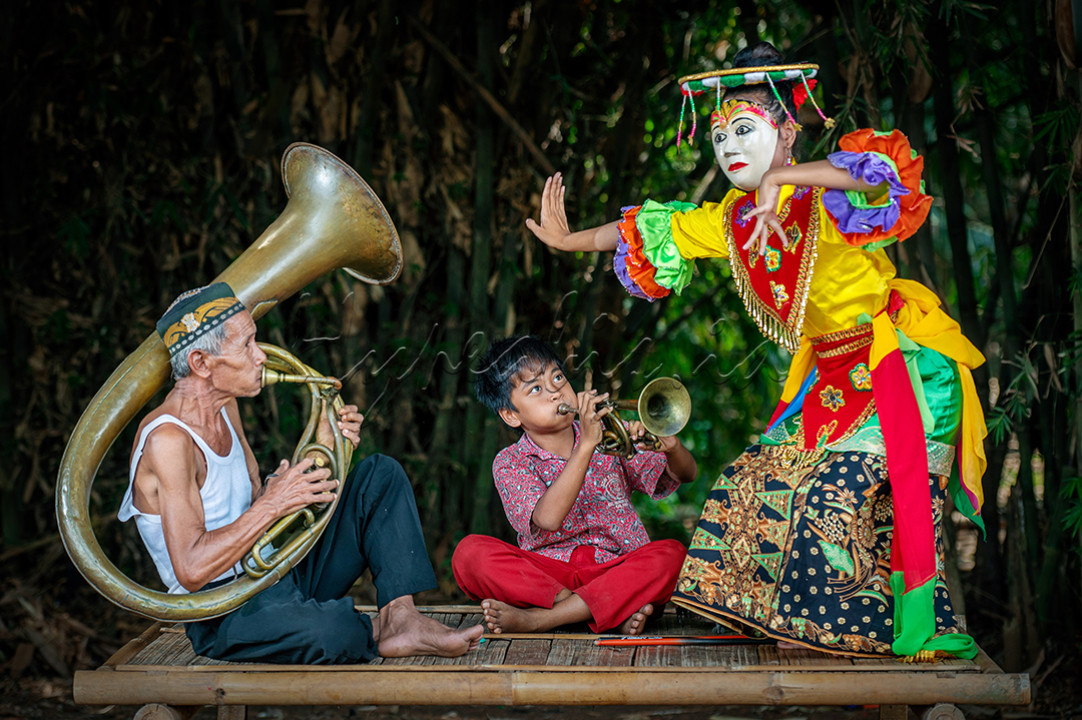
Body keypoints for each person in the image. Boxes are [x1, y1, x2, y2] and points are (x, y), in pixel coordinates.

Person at [525, 42, 988, 659]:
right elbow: (649, 229)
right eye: (719, 137)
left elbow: (876, 176)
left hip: (899, 373)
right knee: (744, 490)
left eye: (745, 129)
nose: (729, 148)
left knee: (834, 491)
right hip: (829, 381)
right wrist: (566, 240)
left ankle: (892, 631)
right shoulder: (733, 219)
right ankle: (811, 635)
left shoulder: (825, 193)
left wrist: (781, 178)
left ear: (788, 131)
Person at [118, 282, 484, 664]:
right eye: (246, 345)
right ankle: (376, 633)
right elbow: (192, 569)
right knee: (331, 633)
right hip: (221, 612)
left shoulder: (226, 407)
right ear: (201, 363)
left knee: (380, 476)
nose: (261, 356)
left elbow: (255, 506)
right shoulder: (168, 440)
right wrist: (274, 504)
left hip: (273, 575)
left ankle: (401, 616)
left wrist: (325, 446)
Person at [452, 335, 698, 636]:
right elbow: (548, 519)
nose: (555, 392)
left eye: (558, 377)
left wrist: (671, 446)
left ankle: (542, 620)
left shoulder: (610, 436)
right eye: (536, 389)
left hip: (616, 568)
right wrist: (586, 446)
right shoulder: (510, 462)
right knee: (469, 555)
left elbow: (686, 474)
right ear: (511, 415)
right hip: (549, 577)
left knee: (673, 555)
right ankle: (600, 611)